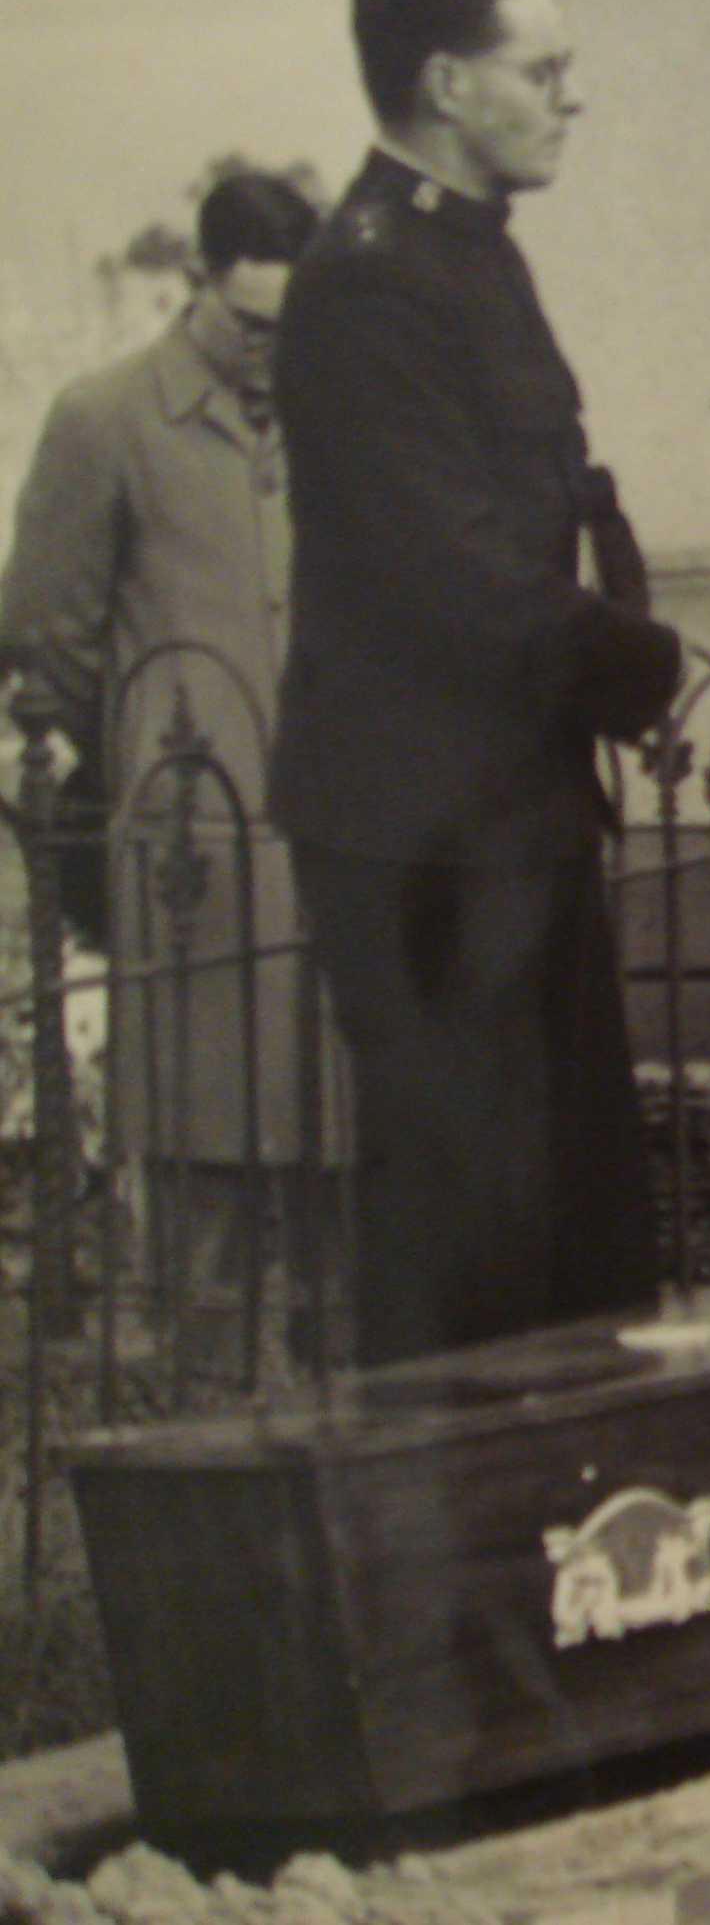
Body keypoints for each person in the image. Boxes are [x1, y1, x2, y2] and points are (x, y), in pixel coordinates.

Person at [272, 0, 687, 1365]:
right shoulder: (367, 283)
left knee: (572, 1226)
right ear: (449, 84)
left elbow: (547, 508)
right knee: (471, 1239)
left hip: (507, 807)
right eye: (543, 68)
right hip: (420, 837)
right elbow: (450, 572)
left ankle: (568, 1500)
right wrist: (640, 668)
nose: (572, 95)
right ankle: (453, 1509)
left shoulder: (466, 252)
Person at [0, 170, 348, 1338]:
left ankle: (348, 1387)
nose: (271, 352)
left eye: (294, 327)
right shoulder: (104, 419)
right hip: (191, 852)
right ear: (196, 281)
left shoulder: (339, 413)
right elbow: (46, 634)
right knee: (207, 1157)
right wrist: (141, 749)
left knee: (341, 1154)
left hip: (333, 837)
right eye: (249, 324)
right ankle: (202, 1384)